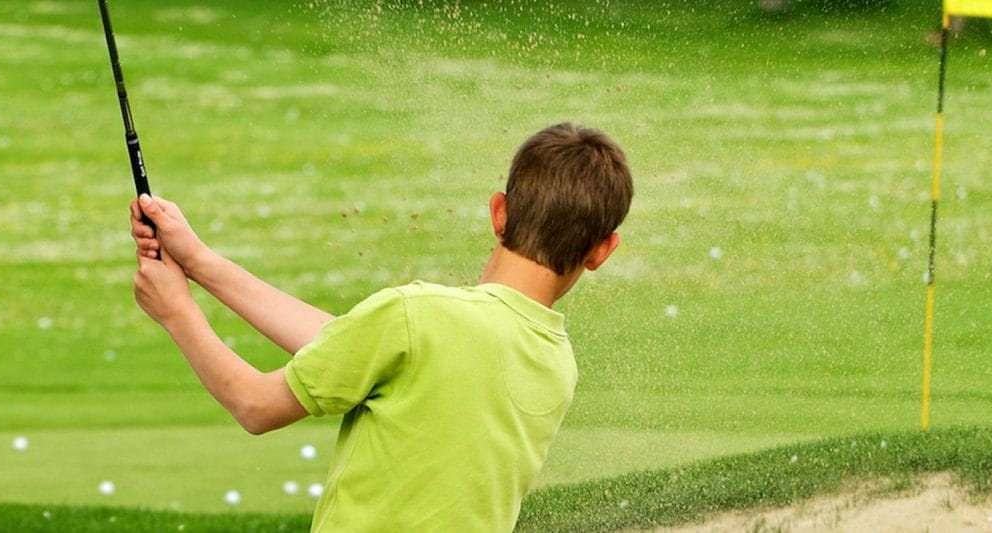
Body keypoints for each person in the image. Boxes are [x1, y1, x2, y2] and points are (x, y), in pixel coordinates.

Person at [129, 123, 633, 531]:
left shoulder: (415, 317)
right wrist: (199, 262)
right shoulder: (554, 361)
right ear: (601, 251)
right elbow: (351, 349)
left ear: (499, 212)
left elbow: (256, 406)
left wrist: (177, 312)